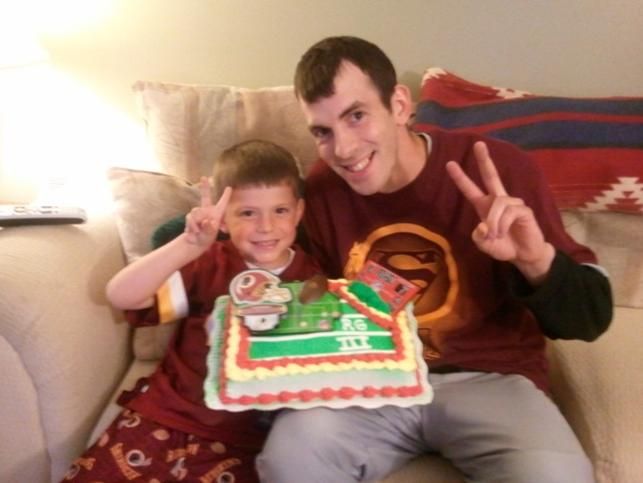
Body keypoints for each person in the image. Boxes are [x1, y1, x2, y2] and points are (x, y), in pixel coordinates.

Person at [256, 36, 613, 483]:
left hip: (490, 379)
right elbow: (304, 285)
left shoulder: (498, 170)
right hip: (371, 385)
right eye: (323, 131)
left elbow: (591, 318)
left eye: (357, 116)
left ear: (401, 105)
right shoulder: (322, 188)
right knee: (287, 459)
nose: (343, 149)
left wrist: (535, 260)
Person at [61, 140, 320, 483]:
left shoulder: (312, 280)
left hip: (245, 438)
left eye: (280, 211)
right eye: (247, 213)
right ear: (224, 219)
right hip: (168, 414)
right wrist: (189, 245)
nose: (266, 226)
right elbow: (122, 295)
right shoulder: (208, 264)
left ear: (299, 212)